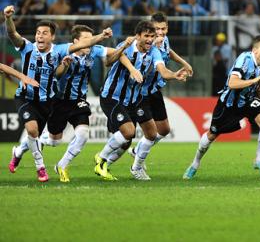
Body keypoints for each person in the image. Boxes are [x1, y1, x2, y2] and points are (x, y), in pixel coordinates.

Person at [4, 5, 113, 182]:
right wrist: (8, 18)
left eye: (44, 33)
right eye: (38, 32)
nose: (40, 35)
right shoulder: (28, 47)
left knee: (65, 137)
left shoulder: (62, 50)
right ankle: (30, 159)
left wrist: (102, 37)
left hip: (61, 100)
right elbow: (13, 35)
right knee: (40, 134)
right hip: (40, 98)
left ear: (52, 36)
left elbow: (90, 47)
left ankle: (40, 158)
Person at [94, 20, 187, 181]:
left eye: (152, 36)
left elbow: (162, 70)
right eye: (146, 36)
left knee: (151, 133)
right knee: (128, 133)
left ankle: (136, 168)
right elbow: (108, 62)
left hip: (134, 99)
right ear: (137, 36)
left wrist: (174, 75)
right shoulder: (128, 46)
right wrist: (124, 52)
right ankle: (101, 159)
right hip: (112, 96)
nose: (150, 39)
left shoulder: (154, 52)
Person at [43, 26, 133, 182]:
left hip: (79, 101)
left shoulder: (93, 50)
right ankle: (31, 142)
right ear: (76, 41)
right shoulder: (63, 51)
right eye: (86, 40)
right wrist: (64, 65)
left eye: (91, 39)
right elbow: (55, 75)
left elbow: (115, 53)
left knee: (83, 135)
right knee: (54, 140)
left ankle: (62, 165)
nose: (89, 43)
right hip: (59, 101)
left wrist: (131, 67)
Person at [183, 35, 260, 179]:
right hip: (229, 103)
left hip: (249, 100)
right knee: (212, 135)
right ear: (255, 50)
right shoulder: (244, 60)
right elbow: (232, 83)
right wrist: (254, 81)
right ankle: (195, 163)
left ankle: (259, 160)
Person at [128, 12, 194, 163]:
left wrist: (184, 62)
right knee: (129, 135)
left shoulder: (164, 40)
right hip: (139, 92)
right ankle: (110, 159)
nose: (160, 32)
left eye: (163, 28)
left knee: (164, 130)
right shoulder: (147, 44)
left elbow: (168, 52)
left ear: (167, 28)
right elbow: (159, 69)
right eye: (157, 29)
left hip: (154, 90)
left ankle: (137, 151)